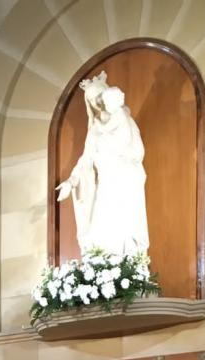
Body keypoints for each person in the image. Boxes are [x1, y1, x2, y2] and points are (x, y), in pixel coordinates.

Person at [56, 71, 150, 257]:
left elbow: (138, 152)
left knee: (124, 231)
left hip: (125, 183)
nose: (97, 102)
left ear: (107, 94)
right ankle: (106, 276)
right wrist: (72, 181)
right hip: (106, 185)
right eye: (91, 100)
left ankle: (127, 273)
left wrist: (120, 153)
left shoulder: (125, 120)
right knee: (101, 233)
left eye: (98, 96)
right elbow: (86, 159)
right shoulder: (94, 131)